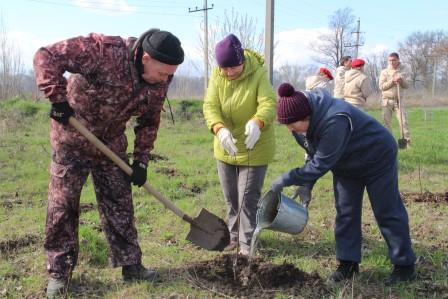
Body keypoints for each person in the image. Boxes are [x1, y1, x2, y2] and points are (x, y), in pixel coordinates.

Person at [33, 29, 184, 297]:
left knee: (119, 203)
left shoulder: (160, 80)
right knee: (63, 206)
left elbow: (149, 121)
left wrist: (141, 161)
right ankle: (59, 274)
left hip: (111, 143)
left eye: (170, 75)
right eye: (164, 73)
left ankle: (131, 265)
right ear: (146, 58)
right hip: (73, 137)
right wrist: (57, 99)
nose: (167, 80)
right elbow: (46, 56)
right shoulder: (104, 52)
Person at [270, 83, 416, 285]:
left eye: (292, 125)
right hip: (346, 163)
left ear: (307, 117)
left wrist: (286, 178)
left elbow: (322, 162)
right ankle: (348, 264)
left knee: (387, 210)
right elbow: (314, 153)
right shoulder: (299, 124)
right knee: (345, 212)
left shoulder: (335, 119)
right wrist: (307, 184)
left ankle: (404, 265)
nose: (289, 130)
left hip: (377, 157)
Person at [203, 34, 276, 255]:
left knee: (247, 199)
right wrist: (218, 128)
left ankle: (247, 243)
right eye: (224, 69)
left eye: (233, 67)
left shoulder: (258, 74)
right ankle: (233, 236)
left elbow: (269, 103)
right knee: (232, 198)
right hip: (226, 144)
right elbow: (210, 105)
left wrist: (257, 121)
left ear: (242, 60)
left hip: (254, 144)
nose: (229, 73)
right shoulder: (217, 76)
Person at [379, 52, 411, 144]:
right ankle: (389, 142)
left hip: (399, 101)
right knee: (386, 123)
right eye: (390, 60)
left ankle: (406, 143)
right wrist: (392, 81)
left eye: (394, 60)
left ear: (398, 60)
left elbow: (407, 85)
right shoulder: (384, 72)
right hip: (387, 101)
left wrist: (401, 81)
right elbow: (381, 87)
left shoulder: (404, 70)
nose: (391, 62)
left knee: (403, 122)